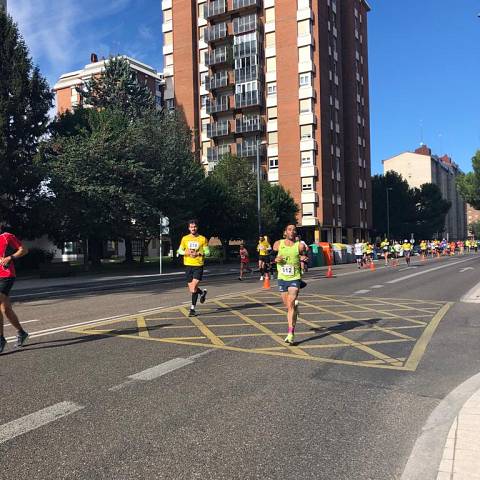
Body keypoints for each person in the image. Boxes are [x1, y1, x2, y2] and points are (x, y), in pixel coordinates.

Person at [273, 224, 307, 345]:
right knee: (288, 307)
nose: (292, 231)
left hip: (295, 277)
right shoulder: (278, 244)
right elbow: (273, 256)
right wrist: (275, 260)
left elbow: (305, 256)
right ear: (285, 232)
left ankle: (290, 333)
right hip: (282, 278)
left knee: (291, 304)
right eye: (289, 229)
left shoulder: (300, 246)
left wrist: (304, 259)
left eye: (294, 230)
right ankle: (295, 310)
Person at [0, 229, 29, 354]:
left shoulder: (7, 237)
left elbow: (24, 249)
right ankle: (22, 333)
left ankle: (0, 339)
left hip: (6, 276)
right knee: (5, 309)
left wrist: (10, 257)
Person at [177, 220, 209, 317]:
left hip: (198, 265)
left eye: (194, 227)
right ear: (189, 228)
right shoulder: (185, 239)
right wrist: (185, 253)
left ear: (197, 227)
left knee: (194, 287)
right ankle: (202, 293)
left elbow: (208, 252)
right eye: (191, 227)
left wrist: (199, 253)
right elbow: (179, 250)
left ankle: (192, 309)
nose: (193, 228)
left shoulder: (202, 239)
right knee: (192, 289)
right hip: (188, 265)